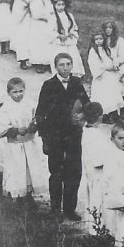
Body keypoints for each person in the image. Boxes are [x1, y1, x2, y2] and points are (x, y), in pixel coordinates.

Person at [35, 53, 89, 222]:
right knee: (56, 172)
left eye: (68, 64)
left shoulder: (76, 83)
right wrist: (45, 138)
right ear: (55, 67)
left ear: (72, 65)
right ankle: (55, 208)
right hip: (55, 135)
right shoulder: (49, 85)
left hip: (74, 135)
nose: (65, 68)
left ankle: (69, 209)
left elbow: (87, 105)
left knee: (74, 171)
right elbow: (40, 113)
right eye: (61, 65)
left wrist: (83, 116)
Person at [0, 77, 49, 205]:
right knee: (17, 170)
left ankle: (29, 194)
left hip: (30, 143)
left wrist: (34, 126)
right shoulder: (6, 108)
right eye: (15, 92)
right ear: (8, 93)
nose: (18, 94)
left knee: (31, 168)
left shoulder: (30, 104)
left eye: (21, 91)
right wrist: (16, 130)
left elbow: (37, 118)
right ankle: (19, 196)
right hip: (15, 145)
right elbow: (0, 128)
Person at [76, 102, 112, 231]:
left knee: (94, 200)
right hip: (98, 175)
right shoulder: (96, 136)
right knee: (98, 201)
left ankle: (96, 227)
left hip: (90, 174)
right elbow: (98, 160)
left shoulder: (86, 131)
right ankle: (97, 229)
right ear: (99, 116)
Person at [85, 31, 124, 121]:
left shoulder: (107, 49)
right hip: (101, 77)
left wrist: (115, 66)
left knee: (112, 95)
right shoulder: (93, 51)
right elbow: (94, 65)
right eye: (96, 39)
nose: (98, 41)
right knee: (103, 96)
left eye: (100, 39)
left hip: (110, 76)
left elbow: (113, 59)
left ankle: (113, 113)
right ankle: (104, 115)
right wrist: (106, 68)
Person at [46, 0, 84, 78]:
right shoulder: (52, 17)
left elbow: (74, 27)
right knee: (59, 58)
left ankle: (73, 75)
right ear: (54, 6)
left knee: (73, 58)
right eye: (58, 5)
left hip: (69, 41)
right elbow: (50, 30)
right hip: (58, 42)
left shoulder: (69, 15)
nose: (61, 7)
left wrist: (71, 33)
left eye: (63, 5)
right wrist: (58, 35)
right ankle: (60, 76)